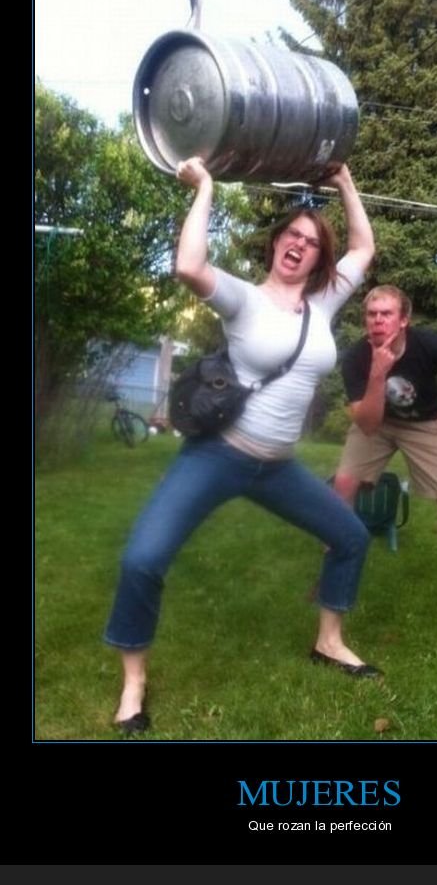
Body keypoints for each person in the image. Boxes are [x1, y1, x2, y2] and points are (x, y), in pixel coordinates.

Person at [105, 158, 380, 734]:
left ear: (318, 257)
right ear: (276, 243)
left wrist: (345, 181)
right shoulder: (243, 299)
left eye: (311, 241)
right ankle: (133, 683)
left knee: (351, 536)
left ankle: (329, 642)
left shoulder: (325, 303)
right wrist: (205, 186)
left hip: (278, 468)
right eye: (291, 235)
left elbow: (364, 247)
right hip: (219, 456)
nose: (299, 245)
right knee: (143, 559)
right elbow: (189, 265)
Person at [333, 285, 437, 612]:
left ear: (404, 320)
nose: (377, 320)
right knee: (342, 486)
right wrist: (377, 374)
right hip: (377, 422)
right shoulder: (356, 357)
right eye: (372, 314)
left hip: (425, 423)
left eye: (386, 314)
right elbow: (367, 425)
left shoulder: (429, 344)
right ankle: (331, 574)